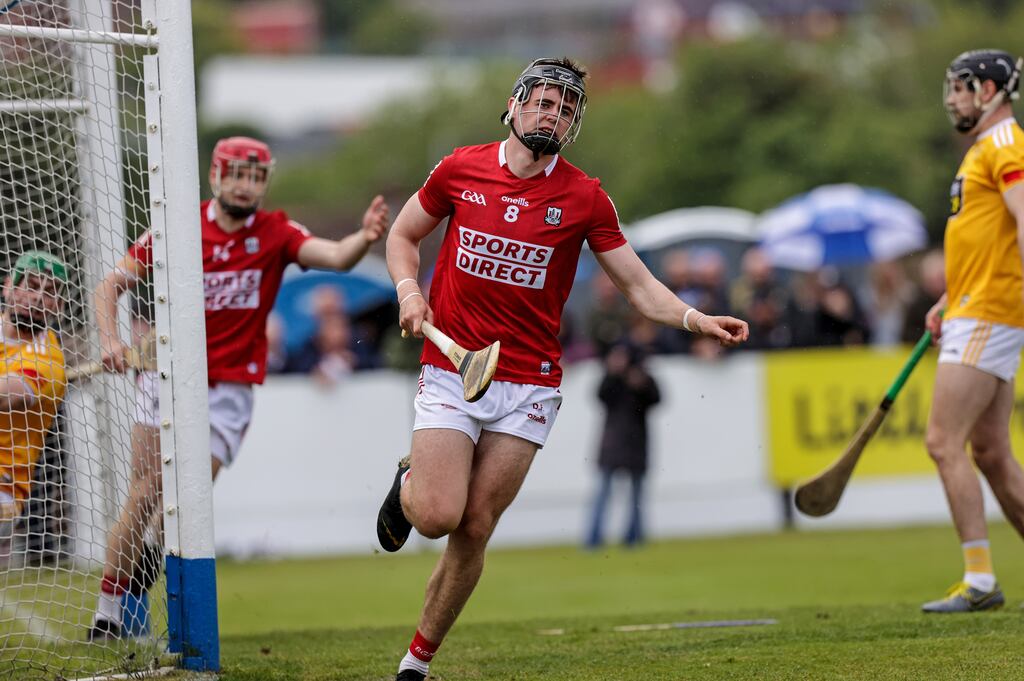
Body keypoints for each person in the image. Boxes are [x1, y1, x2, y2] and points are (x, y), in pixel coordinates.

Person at [376, 57, 748, 680]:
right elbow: (401, 237)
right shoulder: (459, 168)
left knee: (475, 526)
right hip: (451, 366)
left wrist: (694, 319)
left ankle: (416, 663)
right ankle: (410, 479)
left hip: (528, 383)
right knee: (438, 515)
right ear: (516, 104)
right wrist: (409, 292)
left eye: (567, 108)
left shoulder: (583, 196)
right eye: (545, 102)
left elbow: (637, 285)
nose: (554, 114)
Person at [87, 136, 390, 639]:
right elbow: (109, 287)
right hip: (165, 379)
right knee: (142, 496)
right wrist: (111, 340)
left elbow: (335, 256)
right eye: (238, 175)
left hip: (227, 391)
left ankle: (164, 609)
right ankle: (107, 615)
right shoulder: (175, 229)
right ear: (215, 177)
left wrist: (364, 236)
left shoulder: (275, 232)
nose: (247, 187)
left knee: (178, 509)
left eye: (256, 178)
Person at [920, 50, 1024, 613]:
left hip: (989, 313)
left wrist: (968, 306)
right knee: (990, 451)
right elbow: (989, 244)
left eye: (961, 86)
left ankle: (980, 580)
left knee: (942, 441)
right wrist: (947, 299)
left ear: (989, 90)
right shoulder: (985, 150)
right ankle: (982, 579)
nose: (953, 98)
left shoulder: (1006, 145)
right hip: (973, 307)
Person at [0, 251, 68, 560]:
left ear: (60, 307)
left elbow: (3, 397)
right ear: (8, 287)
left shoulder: (48, 361)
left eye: (50, 292)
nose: (39, 298)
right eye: (31, 285)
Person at [585, 343, 660, 549]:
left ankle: (633, 537)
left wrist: (641, 384)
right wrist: (613, 375)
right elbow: (600, 395)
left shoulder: (642, 378)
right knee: (604, 494)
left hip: (634, 444)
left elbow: (656, 398)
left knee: (635, 496)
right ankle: (594, 538)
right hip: (614, 445)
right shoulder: (613, 379)